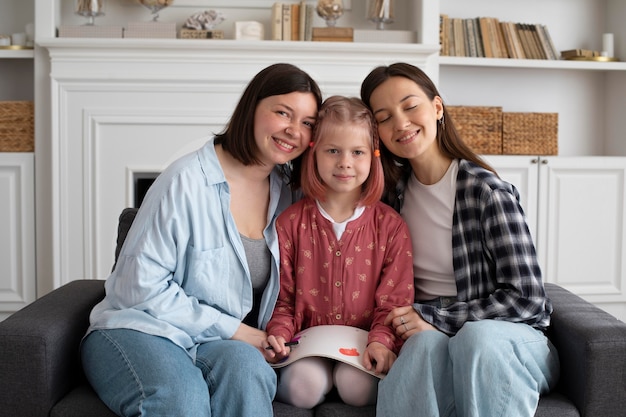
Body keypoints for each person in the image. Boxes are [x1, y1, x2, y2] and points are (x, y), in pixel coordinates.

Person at [80, 63, 322, 417]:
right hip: (140, 329)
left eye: (307, 123)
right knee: (183, 398)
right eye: (282, 112)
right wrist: (237, 330)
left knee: (248, 371)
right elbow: (137, 289)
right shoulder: (184, 181)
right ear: (252, 108)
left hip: (214, 342)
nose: (293, 130)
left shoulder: (288, 194)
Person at [359, 62, 560, 417]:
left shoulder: (486, 192)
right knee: (420, 347)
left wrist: (439, 316)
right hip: (429, 332)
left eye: (410, 106)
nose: (401, 123)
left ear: (437, 108)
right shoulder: (390, 199)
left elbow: (528, 301)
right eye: (384, 117)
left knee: (476, 338)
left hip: (509, 341)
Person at [265, 95, 415, 409]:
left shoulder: (390, 227)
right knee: (303, 387)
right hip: (307, 345)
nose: (344, 162)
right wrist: (278, 334)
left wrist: (381, 341)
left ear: (373, 156)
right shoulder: (290, 223)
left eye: (357, 152)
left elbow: (394, 301)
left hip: (363, 347)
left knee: (357, 388)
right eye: (333, 151)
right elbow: (284, 299)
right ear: (314, 152)